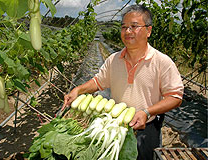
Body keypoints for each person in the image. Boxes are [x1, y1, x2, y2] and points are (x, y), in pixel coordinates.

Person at [62, 4, 184, 160]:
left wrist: (147, 112)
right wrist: (78, 90)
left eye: (134, 26)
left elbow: (175, 97)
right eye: (124, 27)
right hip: (115, 125)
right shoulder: (113, 60)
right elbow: (98, 82)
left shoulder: (162, 62)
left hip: (146, 126)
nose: (127, 31)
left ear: (148, 31)